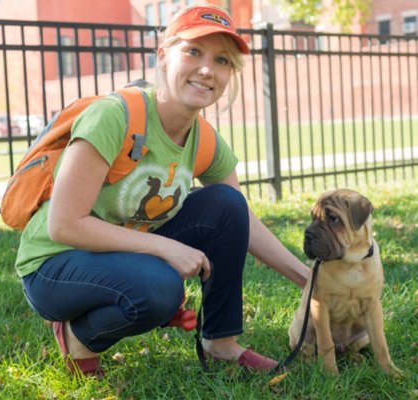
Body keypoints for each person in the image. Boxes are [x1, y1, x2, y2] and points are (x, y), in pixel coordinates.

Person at [16, 3, 310, 376]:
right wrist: (167, 248)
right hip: (55, 264)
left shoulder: (204, 139)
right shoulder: (115, 115)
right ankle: (78, 336)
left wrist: (308, 280)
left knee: (227, 204)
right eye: (193, 51)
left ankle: (221, 342)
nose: (207, 69)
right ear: (163, 54)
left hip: (119, 251)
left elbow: (241, 221)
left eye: (222, 60)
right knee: (160, 289)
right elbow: (65, 224)